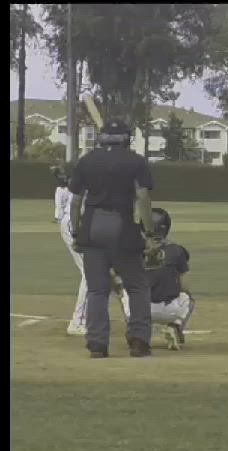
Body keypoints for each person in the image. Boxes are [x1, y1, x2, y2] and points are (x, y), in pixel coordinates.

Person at [67, 118, 161, 358]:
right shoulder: (136, 161)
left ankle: (97, 344)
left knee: (97, 290)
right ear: (127, 139)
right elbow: (142, 197)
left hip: (93, 226)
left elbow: (76, 201)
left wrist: (76, 232)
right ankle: (139, 341)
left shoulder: (86, 161)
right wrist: (150, 233)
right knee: (137, 286)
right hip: (123, 227)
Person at [116, 208, 195, 351]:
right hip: (170, 310)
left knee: (124, 291)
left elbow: (119, 279)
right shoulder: (177, 250)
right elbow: (185, 286)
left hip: (138, 309)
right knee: (188, 298)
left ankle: (134, 330)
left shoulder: (132, 251)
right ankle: (176, 326)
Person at [53, 166, 88, 336]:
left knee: (99, 271)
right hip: (73, 223)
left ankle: (85, 317)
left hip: (76, 222)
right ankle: (78, 322)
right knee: (90, 272)